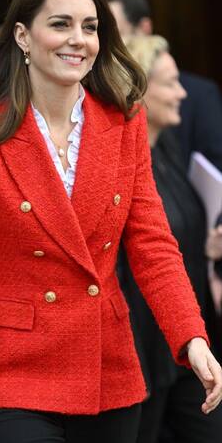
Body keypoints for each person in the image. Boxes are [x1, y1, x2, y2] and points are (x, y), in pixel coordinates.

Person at [0, 0, 222, 443]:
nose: (78, 40)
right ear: (22, 37)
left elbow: (153, 246)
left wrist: (191, 337)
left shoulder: (125, 122)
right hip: (16, 371)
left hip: (109, 368)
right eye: (60, 24)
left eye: (90, 27)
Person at [120, 34, 222, 443]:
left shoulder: (170, 151)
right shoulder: (122, 160)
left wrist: (210, 248)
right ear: (140, 90)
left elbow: (175, 237)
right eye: (170, 82)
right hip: (142, 344)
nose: (182, 93)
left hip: (185, 338)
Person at [102, 0, 222, 172]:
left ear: (144, 29)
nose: (105, 48)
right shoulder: (98, 102)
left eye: (117, 36)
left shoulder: (198, 96)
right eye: (98, 35)